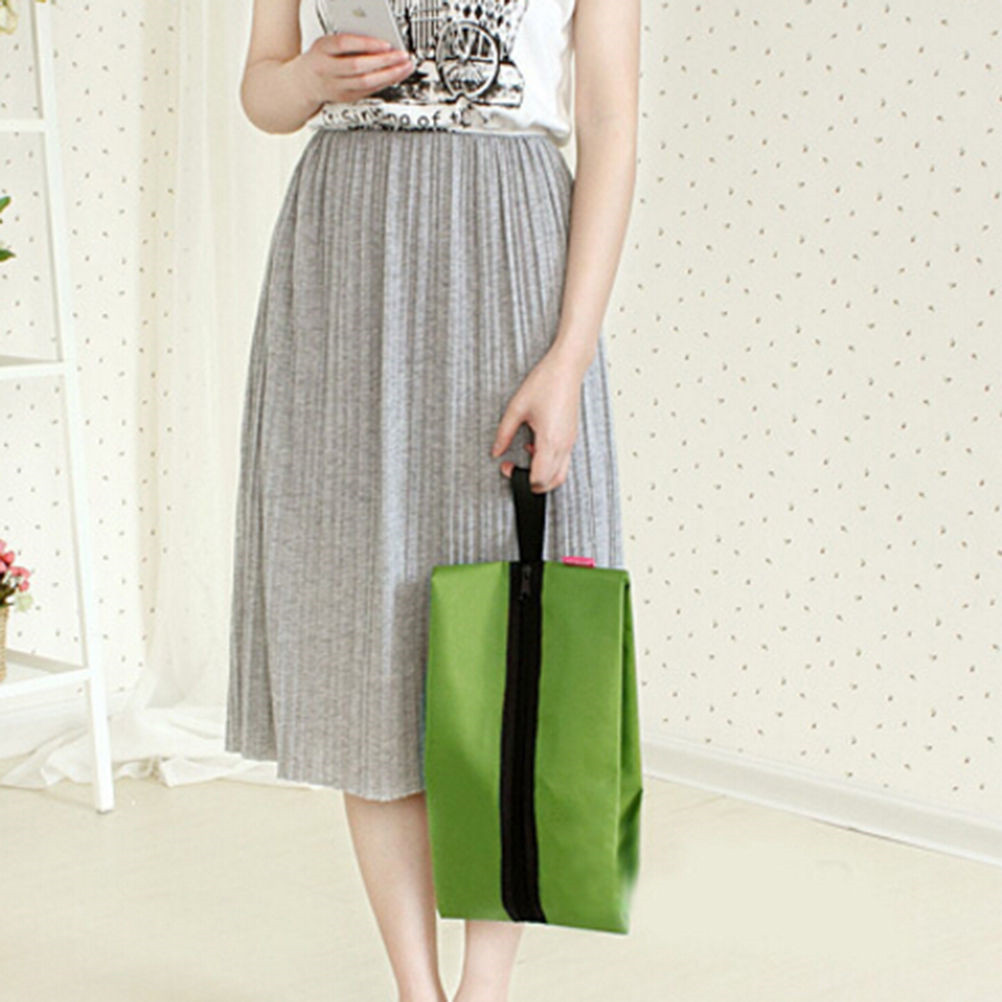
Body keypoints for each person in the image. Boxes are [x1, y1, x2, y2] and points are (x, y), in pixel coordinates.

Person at [225, 1, 639, 1000]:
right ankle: (419, 991)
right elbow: (262, 89)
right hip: (344, 257)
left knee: (511, 636)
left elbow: (611, 122)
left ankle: (485, 990)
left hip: (509, 248)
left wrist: (570, 357)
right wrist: (310, 80)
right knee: (364, 643)